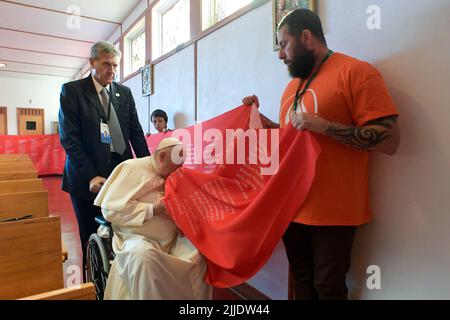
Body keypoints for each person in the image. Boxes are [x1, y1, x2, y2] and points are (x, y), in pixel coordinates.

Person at [242, 9, 400, 300]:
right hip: (291, 206)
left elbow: (390, 140)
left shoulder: (356, 72)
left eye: (283, 44)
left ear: (306, 37)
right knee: (302, 283)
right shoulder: (292, 87)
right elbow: (295, 140)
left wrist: (325, 126)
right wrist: (267, 123)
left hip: (334, 210)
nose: (279, 55)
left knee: (328, 288)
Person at [59, 41, 150, 276]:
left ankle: (119, 277)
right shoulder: (72, 91)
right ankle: (93, 278)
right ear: (92, 63)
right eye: (106, 64)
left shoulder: (124, 92)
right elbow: (70, 139)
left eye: (115, 65)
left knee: (121, 230)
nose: (112, 70)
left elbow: (136, 133)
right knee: (91, 232)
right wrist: (90, 175)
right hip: (86, 178)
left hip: (119, 174)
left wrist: (151, 166)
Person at [94, 137, 212, 300]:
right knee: (145, 258)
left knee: (200, 254)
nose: (177, 171)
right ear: (162, 156)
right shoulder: (130, 168)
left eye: (180, 166)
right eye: (175, 165)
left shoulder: (174, 173)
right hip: (136, 237)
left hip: (171, 239)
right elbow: (110, 212)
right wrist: (152, 209)